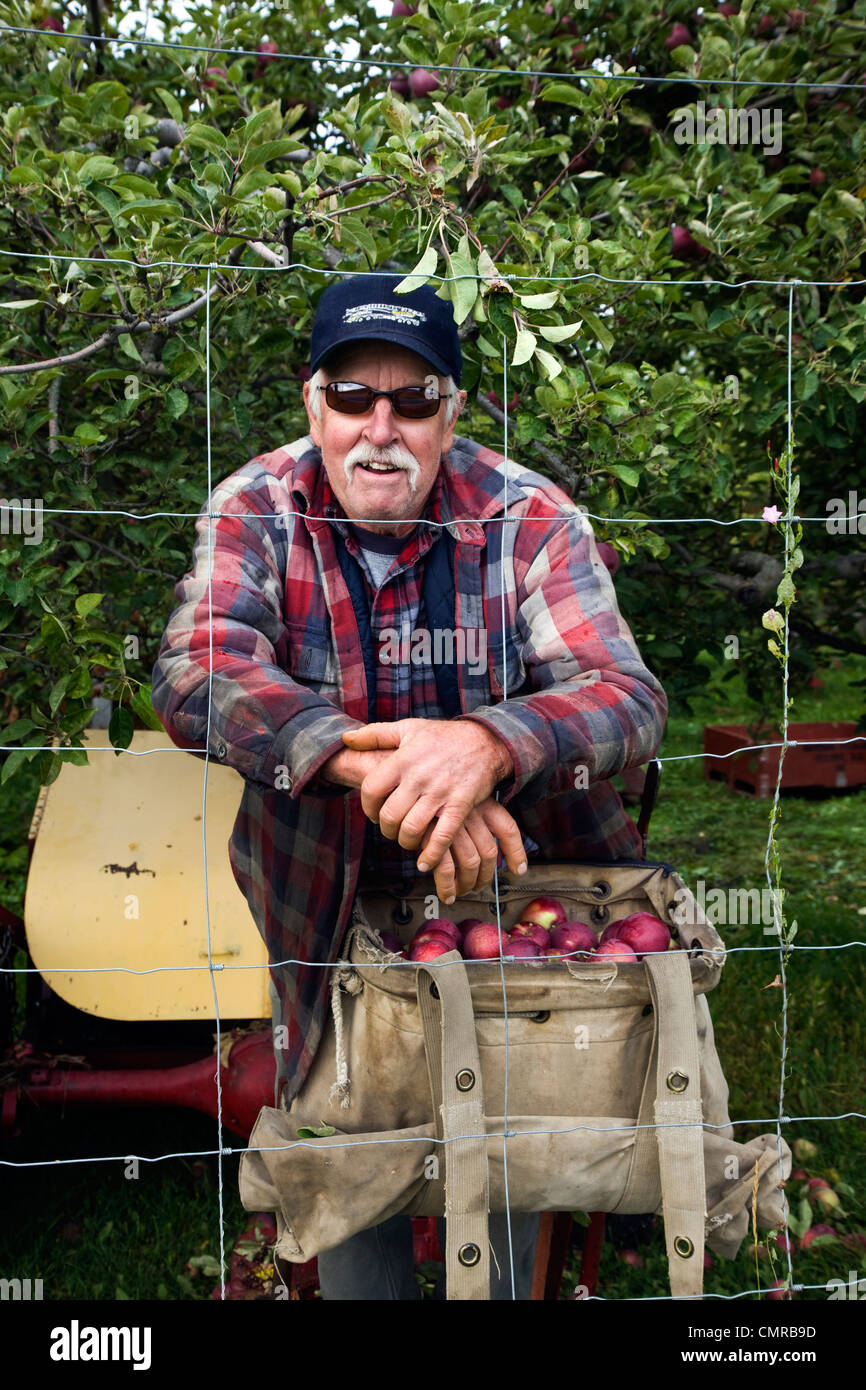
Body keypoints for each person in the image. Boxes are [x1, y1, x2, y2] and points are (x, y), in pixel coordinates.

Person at [151, 273, 668, 1299]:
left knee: (519, 1141)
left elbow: (626, 694)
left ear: (452, 413)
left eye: (413, 398)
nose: (379, 427)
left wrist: (486, 743)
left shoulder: (526, 515)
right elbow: (197, 665)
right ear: (312, 402)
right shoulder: (256, 506)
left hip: (520, 894)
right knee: (352, 1145)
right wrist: (372, 761)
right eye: (352, 396)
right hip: (323, 898)